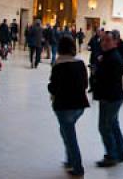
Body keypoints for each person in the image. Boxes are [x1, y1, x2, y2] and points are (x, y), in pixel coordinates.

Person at [48, 36, 89, 177]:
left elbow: (53, 87)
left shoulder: (58, 65)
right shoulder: (80, 63)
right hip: (79, 105)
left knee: (70, 136)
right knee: (66, 131)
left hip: (64, 106)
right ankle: (70, 160)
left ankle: (77, 167)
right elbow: (85, 85)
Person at [93, 31, 123, 168]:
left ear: (115, 42)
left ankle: (112, 155)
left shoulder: (113, 58)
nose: (104, 43)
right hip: (111, 96)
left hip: (110, 97)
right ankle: (118, 153)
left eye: (107, 40)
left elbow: (109, 79)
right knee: (113, 125)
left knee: (105, 126)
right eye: (103, 40)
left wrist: (98, 71)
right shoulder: (109, 56)